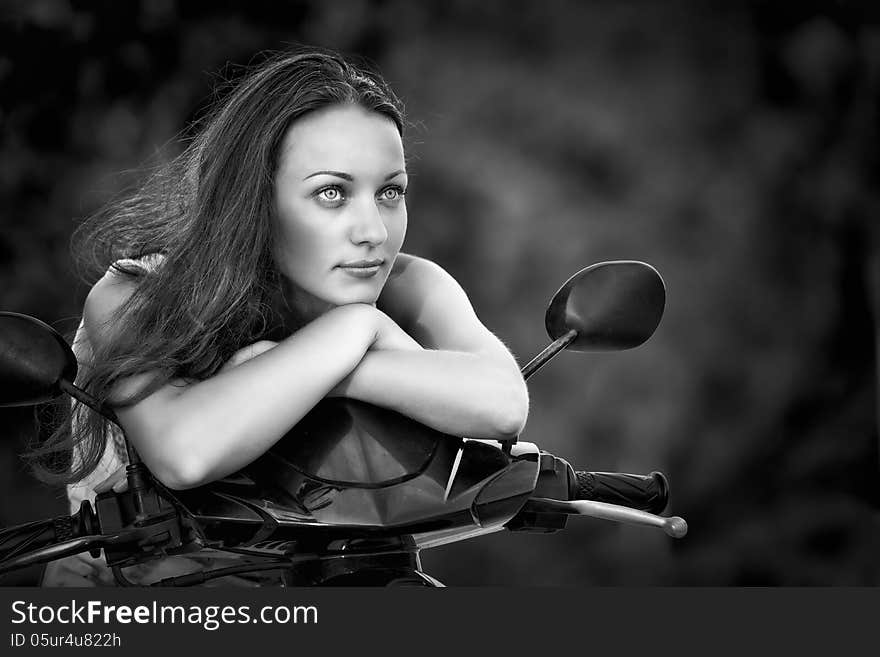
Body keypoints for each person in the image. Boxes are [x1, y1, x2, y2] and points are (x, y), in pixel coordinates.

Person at [36, 49, 529, 586]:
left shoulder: (411, 288)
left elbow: (501, 405)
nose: (374, 231)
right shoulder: (140, 294)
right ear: (255, 199)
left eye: (390, 192)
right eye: (332, 193)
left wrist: (335, 361)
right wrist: (354, 331)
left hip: (356, 574)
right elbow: (186, 453)